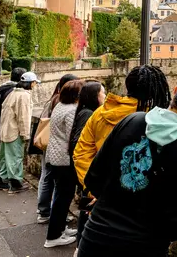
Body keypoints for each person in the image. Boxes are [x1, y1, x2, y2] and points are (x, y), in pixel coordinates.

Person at [77, 69, 177, 257]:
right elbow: (175, 221)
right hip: (145, 245)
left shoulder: (131, 120)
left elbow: (94, 178)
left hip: (98, 236)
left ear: (175, 90)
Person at [73, 65, 171, 190]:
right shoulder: (155, 119)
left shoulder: (100, 113)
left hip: (103, 198)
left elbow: (81, 153)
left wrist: (93, 189)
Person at [43, 79, 85, 248]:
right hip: (64, 160)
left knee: (61, 196)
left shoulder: (60, 106)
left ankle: (59, 229)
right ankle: (53, 236)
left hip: (54, 157)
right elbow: (72, 137)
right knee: (63, 197)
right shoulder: (72, 111)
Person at [36, 73, 79, 224]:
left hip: (50, 145)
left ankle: (43, 210)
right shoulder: (63, 104)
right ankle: (49, 212)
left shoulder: (54, 100)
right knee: (54, 183)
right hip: (58, 149)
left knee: (46, 177)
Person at [68, 80, 105, 248]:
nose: (105, 95)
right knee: (87, 209)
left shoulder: (84, 111)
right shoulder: (89, 114)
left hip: (85, 170)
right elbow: (78, 143)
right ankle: (81, 245)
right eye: (102, 93)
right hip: (87, 171)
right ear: (94, 96)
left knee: (86, 207)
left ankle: (81, 244)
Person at [0, 71, 40, 194]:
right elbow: (24, 117)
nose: (35, 85)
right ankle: (15, 183)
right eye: (34, 83)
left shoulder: (13, 93)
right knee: (15, 157)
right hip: (14, 131)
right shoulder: (24, 96)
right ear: (31, 83)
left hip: (6, 129)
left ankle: (3, 181)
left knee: (5, 157)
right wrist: (26, 134)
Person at [0, 67, 26, 188]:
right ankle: (0, 178)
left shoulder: (4, 88)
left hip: (1, 123)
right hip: (7, 125)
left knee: (3, 151)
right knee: (10, 154)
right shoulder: (13, 91)